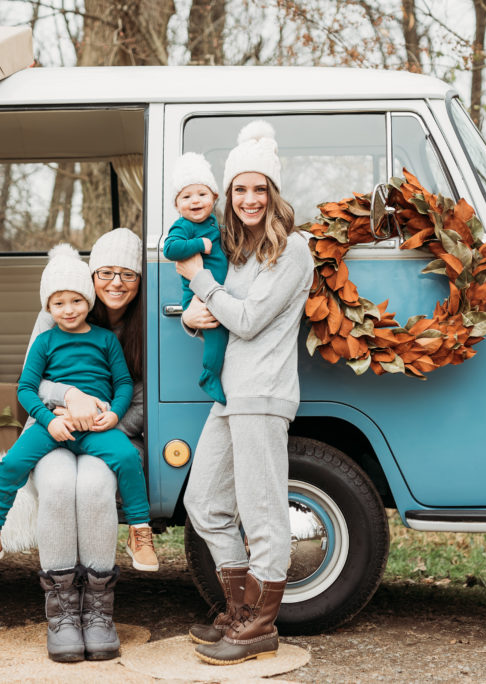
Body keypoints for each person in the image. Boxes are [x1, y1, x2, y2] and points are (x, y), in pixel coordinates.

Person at [175, 120, 314, 665]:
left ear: (273, 194)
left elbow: (250, 320)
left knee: (261, 511)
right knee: (203, 502)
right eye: (240, 189)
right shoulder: (235, 250)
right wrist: (193, 316)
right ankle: (238, 608)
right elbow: (218, 315)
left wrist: (198, 281)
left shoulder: (293, 251)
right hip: (230, 394)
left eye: (259, 188)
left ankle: (259, 623)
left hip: (264, 393)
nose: (250, 198)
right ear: (228, 196)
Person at [29, 228, 151, 663]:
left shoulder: (145, 323)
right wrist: (70, 399)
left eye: (128, 275)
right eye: (106, 273)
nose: (116, 283)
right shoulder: (63, 307)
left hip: (112, 434)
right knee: (60, 486)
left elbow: (142, 397)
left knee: (96, 486)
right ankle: (62, 613)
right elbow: (33, 381)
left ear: (140, 280)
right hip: (54, 429)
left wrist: (106, 422)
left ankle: (99, 612)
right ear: (91, 275)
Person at [162, 152, 229, 404]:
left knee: (224, 335)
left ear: (214, 198)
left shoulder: (215, 225)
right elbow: (170, 249)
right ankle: (209, 375)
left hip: (216, 291)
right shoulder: (184, 226)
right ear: (177, 205)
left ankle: (215, 373)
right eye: (186, 197)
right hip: (199, 297)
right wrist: (198, 243)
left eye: (202, 194)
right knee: (216, 335)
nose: (195, 201)